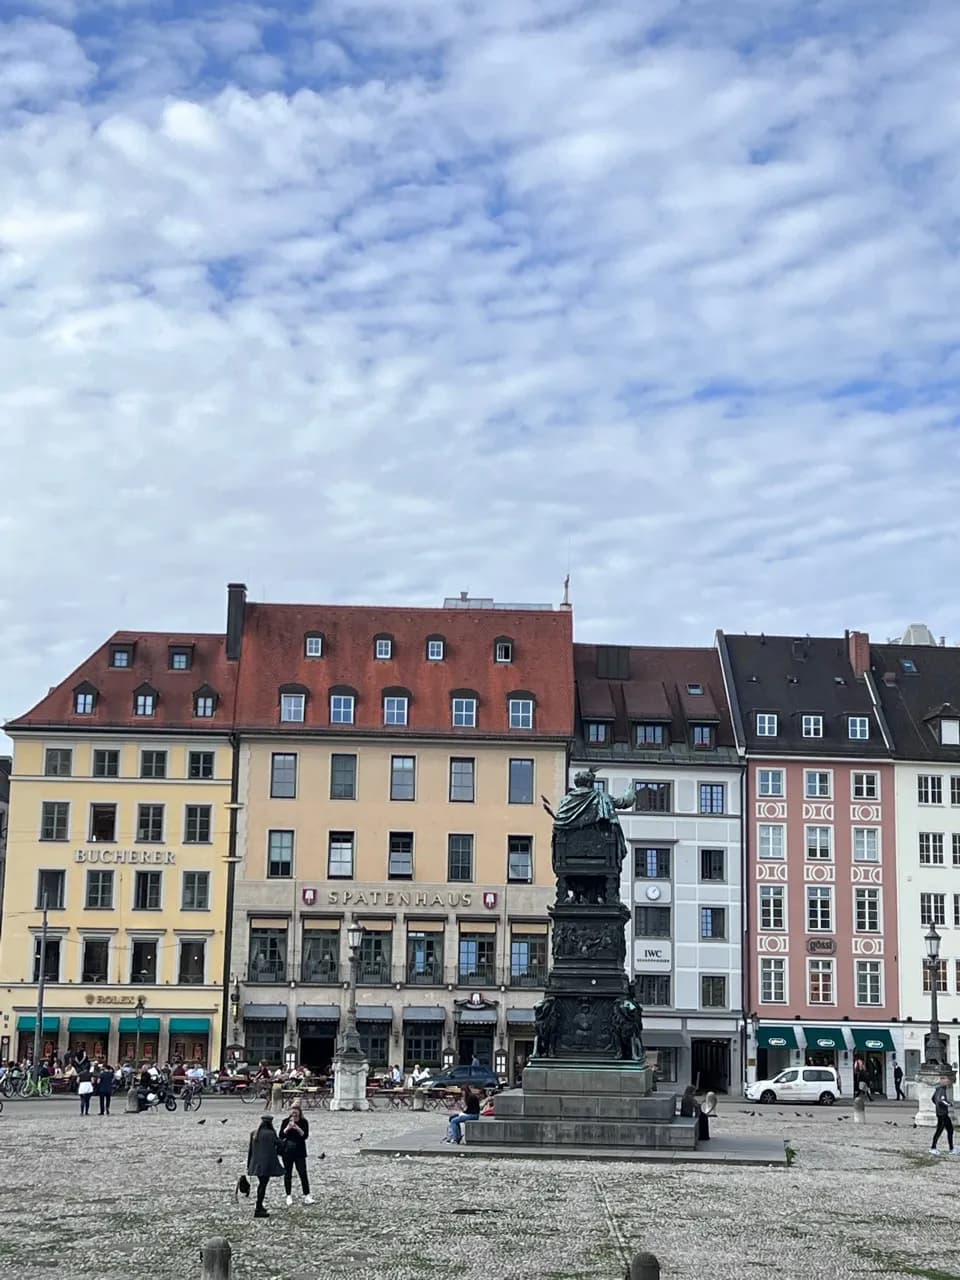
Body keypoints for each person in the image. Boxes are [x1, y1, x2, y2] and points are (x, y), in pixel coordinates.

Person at [247, 1114, 285, 1218]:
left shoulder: (254, 1134)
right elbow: (280, 1144)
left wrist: (249, 1165)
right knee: (263, 1185)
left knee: (261, 1184)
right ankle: (258, 1208)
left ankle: (259, 1206)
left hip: (256, 1164)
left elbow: (250, 1151)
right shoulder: (271, 1134)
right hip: (266, 1165)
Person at [279, 1105, 314, 1206]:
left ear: (299, 1112)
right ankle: (288, 1195)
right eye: (292, 1112)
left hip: (299, 1151)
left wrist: (298, 1128)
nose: (294, 1114)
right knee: (288, 1173)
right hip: (287, 1151)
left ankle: (307, 1195)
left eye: (296, 1112)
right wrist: (288, 1128)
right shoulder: (285, 1121)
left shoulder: (304, 1122)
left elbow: (305, 1135)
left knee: (303, 1173)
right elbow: (281, 1135)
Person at [930, 1074, 955, 1156]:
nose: (947, 1082)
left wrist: (937, 1105)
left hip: (942, 1113)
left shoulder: (938, 1089)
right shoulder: (941, 1090)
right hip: (942, 1113)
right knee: (939, 1130)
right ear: (942, 1081)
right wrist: (948, 1104)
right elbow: (941, 1100)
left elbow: (933, 1099)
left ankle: (951, 1148)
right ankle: (933, 1148)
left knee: (950, 1129)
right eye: (946, 1080)